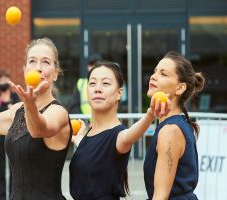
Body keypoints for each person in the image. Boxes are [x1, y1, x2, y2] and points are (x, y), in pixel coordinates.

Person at [0, 38, 72, 200]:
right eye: (32, 61)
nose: (38, 68)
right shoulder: (18, 110)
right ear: (25, 70)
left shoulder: (58, 112)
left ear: (56, 73)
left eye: (45, 62)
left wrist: (30, 105)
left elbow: (38, 129)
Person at [69, 61, 170, 199]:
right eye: (92, 83)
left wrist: (150, 115)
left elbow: (129, 135)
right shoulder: (87, 137)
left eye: (105, 83)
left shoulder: (119, 136)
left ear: (119, 93)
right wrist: (78, 138)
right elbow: (94, 151)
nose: (97, 89)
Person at [143, 51, 205, 199]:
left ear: (180, 88)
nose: (154, 76)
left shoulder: (170, 131)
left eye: (163, 74)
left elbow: (160, 196)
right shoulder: (175, 125)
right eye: (155, 71)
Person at [0, 69, 19, 200]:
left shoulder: (15, 96)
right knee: (0, 170)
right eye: (0, 80)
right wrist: (7, 107)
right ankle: (2, 197)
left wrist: (1, 108)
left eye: (5, 79)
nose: (3, 82)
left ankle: (12, 196)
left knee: (13, 169)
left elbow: (16, 113)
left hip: (12, 136)